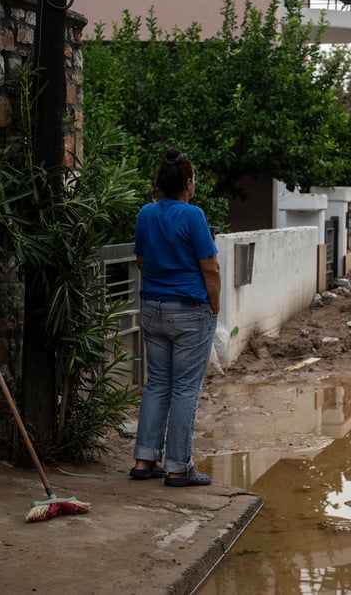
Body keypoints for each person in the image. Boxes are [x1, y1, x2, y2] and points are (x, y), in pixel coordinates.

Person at [129, 148, 221, 487]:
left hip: (153, 309)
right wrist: (215, 305)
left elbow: (141, 261)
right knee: (184, 389)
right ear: (187, 182)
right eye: (193, 178)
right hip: (190, 312)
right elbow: (210, 267)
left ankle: (143, 461)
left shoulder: (146, 214)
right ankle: (179, 468)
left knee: (156, 385)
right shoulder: (193, 216)